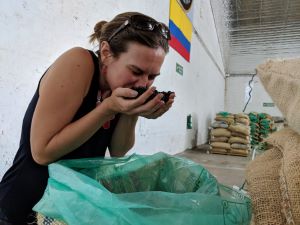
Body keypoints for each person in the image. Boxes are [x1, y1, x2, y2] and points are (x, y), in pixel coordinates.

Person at [0, 11, 175, 224]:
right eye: (136, 71)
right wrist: (107, 109)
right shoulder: (79, 62)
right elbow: (42, 153)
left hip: (69, 208)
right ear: (106, 52)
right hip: (24, 206)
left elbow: (119, 151)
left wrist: (133, 111)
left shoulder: (118, 87)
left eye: (152, 76)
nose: (143, 83)